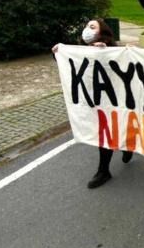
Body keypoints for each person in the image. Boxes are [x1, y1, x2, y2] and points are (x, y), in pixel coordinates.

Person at [52, 19, 134, 188]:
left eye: (92, 27)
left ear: (101, 32)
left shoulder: (111, 49)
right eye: (87, 26)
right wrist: (58, 53)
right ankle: (108, 166)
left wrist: (105, 53)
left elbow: (124, 67)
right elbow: (71, 66)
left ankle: (112, 161)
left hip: (113, 101)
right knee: (103, 134)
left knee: (110, 131)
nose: (87, 30)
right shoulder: (80, 49)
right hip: (92, 101)